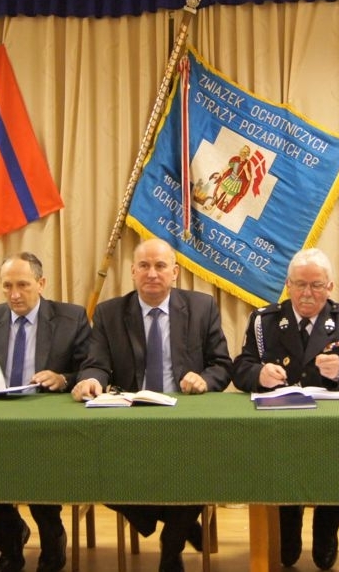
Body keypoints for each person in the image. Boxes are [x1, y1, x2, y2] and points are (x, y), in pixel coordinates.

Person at [71, 237, 232, 572]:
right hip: (131, 421)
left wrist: (205, 380)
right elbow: (96, 363)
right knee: (90, 468)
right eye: (144, 266)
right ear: (132, 271)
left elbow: (221, 365)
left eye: (160, 266)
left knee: (202, 468)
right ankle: (179, 521)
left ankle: (171, 547)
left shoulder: (202, 307)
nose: (152, 273)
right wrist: (90, 380)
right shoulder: (110, 312)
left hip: (186, 420)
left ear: (175, 272)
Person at [232, 248, 339, 570]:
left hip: (332, 430)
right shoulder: (264, 321)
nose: (307, 293)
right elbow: (240, 369)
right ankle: (288, 521)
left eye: (316, 285)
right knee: (285, 550)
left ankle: (326, 527)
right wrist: (260, 374)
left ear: (330, 287)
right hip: (281, 430)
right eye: (299, 285)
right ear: (288, 285)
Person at [0, 252, 91, 572]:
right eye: (7, 286)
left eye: (23, 285)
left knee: (38, 468)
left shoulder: (71, 318)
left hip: (47, 423)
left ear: (41, 284)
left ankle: (52, 539)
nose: (14, 294)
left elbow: (90, 369)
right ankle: (11, 541)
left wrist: (63, 379)